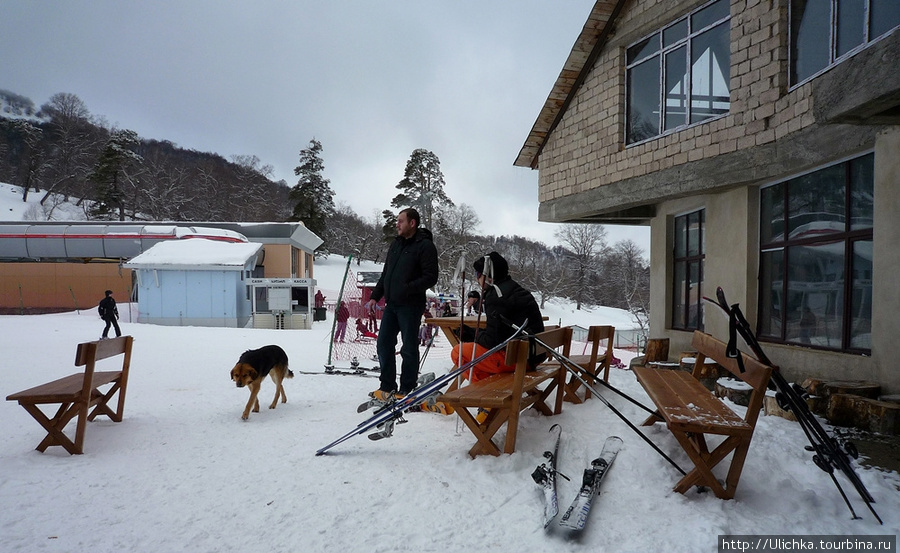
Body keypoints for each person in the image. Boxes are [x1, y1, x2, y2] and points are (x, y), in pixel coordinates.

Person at [366, 208, 439, 400]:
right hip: (392, 305)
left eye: (400, 221)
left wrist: (407, 288)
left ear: (412, 223)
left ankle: (407, 387)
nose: (397, 224)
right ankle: (387, 386)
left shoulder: (425, 246)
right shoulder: (396, 244)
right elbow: (386, 274)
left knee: (408, 347)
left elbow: (431, 277)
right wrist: (375, 296)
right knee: (383, 344)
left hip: (411, 305)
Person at [451, 252, 544, 384]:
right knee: (471, 350)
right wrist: (476, 333)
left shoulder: (496, 295)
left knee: (459, 352)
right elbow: (500, 332)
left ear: (488, 277)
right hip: (534, 354)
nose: (477, 279)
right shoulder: (516, 289)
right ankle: (491, 390)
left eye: (478, 275)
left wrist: (472, 335)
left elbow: (492, 342)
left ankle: (489, 396)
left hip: (519, 359)